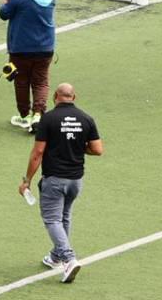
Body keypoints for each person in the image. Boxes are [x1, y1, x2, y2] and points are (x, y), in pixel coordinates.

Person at [18, 82, 103, 284]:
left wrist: (27, 180)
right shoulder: (86, 119)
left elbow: (38, 153)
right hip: (75, 180)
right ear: (74, 97)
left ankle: (68, 258)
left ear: (55, 96)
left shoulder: (48, 119)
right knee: (64, 216)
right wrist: (76, 147)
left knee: (52, 220)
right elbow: (97, 149)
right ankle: (56, 256)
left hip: (54, 179)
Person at [0, 0, 56, 130]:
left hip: (21, 48)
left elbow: (4, 14)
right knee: (41, 82)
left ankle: (25, 116)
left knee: (21, 81)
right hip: (45, 47)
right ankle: (38, 115)